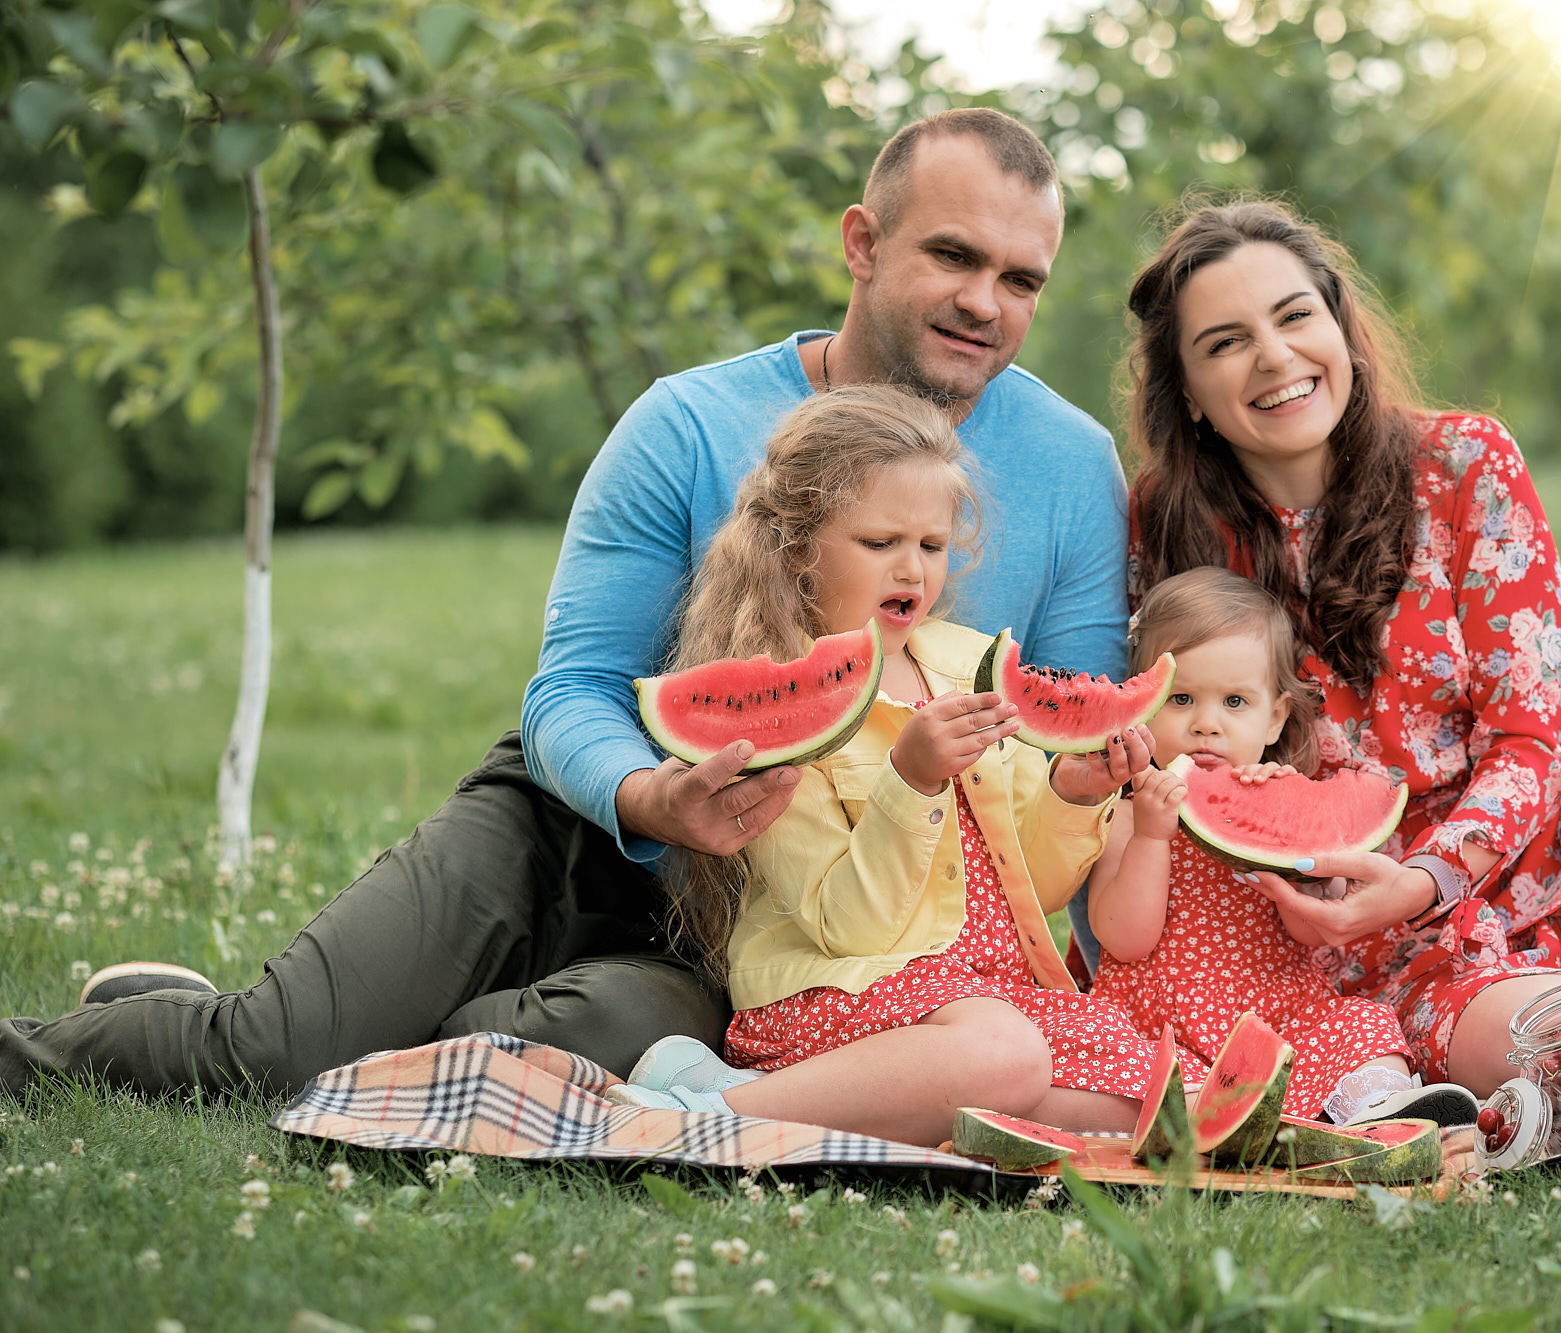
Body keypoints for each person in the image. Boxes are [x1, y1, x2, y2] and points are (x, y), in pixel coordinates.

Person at [1, 108, 1129, 1101]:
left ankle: (356, 1031)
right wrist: (651, 794)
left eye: (1021, 278)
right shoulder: (683, 423)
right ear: (862, 242)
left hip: (769, 922)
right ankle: (80, 1049)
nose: (985, 302)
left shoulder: (1073, 464)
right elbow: (573, 689)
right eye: (953, 256)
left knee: (600, 1044)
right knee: (270, 1051)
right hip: (573, 819)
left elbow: (1057, 730)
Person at [1120, 200, 1561, 1095]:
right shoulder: (1166, 525)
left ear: (1341, 327)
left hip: (1553, 833)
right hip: (1359, 920)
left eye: (1295, 315)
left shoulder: (1466, 464)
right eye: (1225, 342)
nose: (1273, 356)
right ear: (1186, 388)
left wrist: (1430, 873)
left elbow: (1530, 740)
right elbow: (1176, 751)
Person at [610, 387, 1189, 1146]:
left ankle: (813, 1104)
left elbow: (1035, 887)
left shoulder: (970, 664)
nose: (912, 570)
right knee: (1006, 1055)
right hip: (845, 993)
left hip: (992, 995)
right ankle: (709, 1119)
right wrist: (909, 782)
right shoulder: (779, 710)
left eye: (932, 545)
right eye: (880, 543)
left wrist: (1073, 794)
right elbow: (847, 925)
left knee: (1156, 1108)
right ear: (797, 546)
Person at [1086, 567, 1477, 1127]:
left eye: (1235, 703)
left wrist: (1307, 864)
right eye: (1181, 698)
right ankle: (1229, 1119)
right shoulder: (1125, 816)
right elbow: (1125, 938)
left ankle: (1378, 1109)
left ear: (1276, 718)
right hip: (1160, 1031)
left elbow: (1311, 928)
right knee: (1109, 1053)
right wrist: (1152, 835)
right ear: (1140, 703)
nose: (1206, 725)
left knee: (1360, 1023)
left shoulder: (1284, 805)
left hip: (1279, 1023)